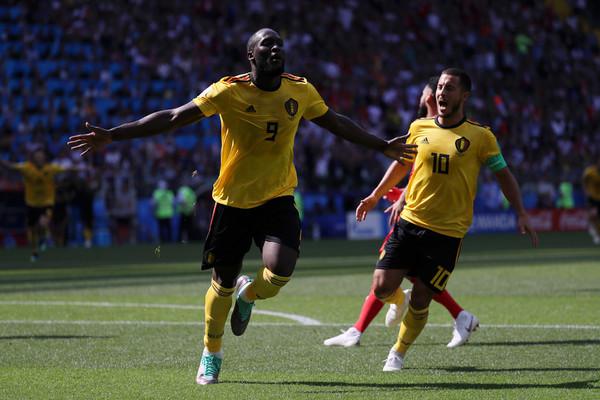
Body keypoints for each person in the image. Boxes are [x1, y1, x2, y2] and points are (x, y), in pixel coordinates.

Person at [67, 28, 417, 385]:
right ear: (251, 55)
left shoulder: (300, 89)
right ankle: (212, 352)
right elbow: (173, 117)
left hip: (277, 197)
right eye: (267, 44)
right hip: (232, 202)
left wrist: (380, 145)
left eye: (279, 44)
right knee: (221, 284)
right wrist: (114, 134)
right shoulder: (228, 90)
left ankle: (249, 294)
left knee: (280, 271)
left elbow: (335, 122)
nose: (275, 48)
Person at [355, 68, 538, 372]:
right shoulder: (419, 127)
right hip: (410, 223)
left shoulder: (481, 136)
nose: (441, 92)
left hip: (447, 235)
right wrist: (376, 195)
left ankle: (398, 352)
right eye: (440, 87)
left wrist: (520, 211)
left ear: (464, 96)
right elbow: (402, 164)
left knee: (423, 297)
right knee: (382, 287)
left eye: (449, 88)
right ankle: (398, 301)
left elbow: (504, 175)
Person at [324, 77, 479, 349]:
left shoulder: (448, 127)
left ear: (428, 96)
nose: (430, 95)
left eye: (429, 91)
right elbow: (412, 166)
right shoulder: (424, 124)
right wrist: (393, 193)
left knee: (401, 272)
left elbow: (429, 174)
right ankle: (456, 315)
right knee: (402, 271)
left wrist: (403, 197)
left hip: (428, 218)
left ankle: (375, 320)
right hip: (414, 213)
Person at [0, 148, 82, 261]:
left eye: (41, 156)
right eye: (37, 156)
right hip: (32, 203)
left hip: (47, 202)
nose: (39, 158)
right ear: (33, 158)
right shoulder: (26, 167)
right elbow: (11, 167)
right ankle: (36, 250)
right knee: (33, 228)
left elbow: (67, 168)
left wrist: (79, 167)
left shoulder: (50, 168)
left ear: (44, 158)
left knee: (43, 222)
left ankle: (44, 237)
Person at [582, 158, 600, 245]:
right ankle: (595, 232)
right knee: (592, 216)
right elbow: (584, 181)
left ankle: (597, 233)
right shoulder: (590, 172)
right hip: (592, 198)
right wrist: (586, 190)